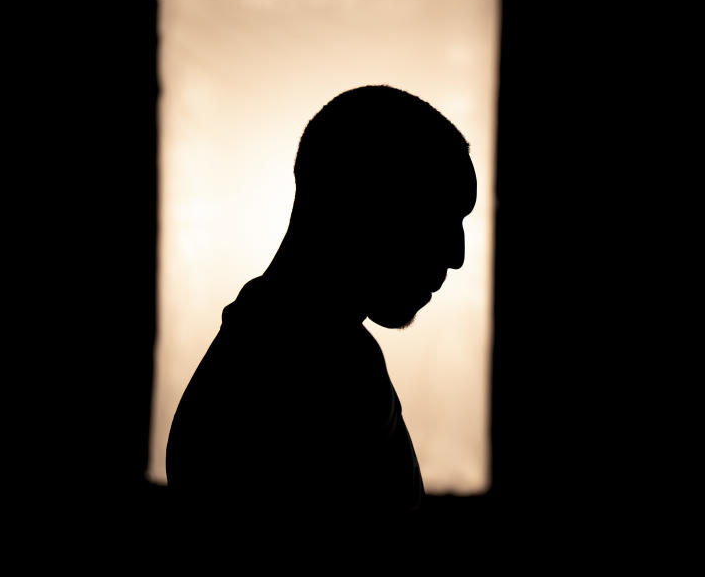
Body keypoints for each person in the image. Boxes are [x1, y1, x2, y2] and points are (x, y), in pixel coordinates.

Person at [166, 85, 477, 522]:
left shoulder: (281, 352)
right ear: (363, 200)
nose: (457, 255)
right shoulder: (316, 370)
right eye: (440, 216)